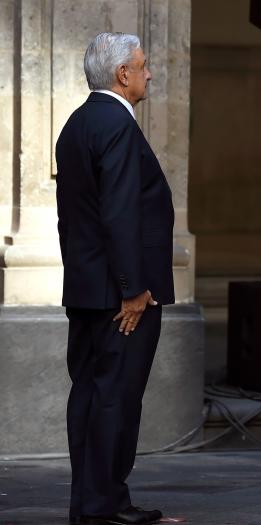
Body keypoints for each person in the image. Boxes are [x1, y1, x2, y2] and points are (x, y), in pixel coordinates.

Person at [57, 32, 174, 525]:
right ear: (122, 74)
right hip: (120, 296)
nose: (149, 74)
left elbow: (76, 218)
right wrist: (133, 290)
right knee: (116, 399)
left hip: (86, 289)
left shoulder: (77, 124)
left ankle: (92, 504)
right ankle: (105, 507)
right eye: (143, 66)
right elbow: (120, 213)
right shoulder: (118, 126)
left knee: (88, 396)